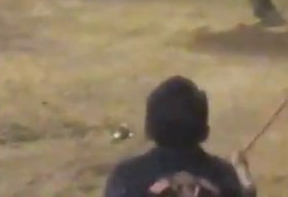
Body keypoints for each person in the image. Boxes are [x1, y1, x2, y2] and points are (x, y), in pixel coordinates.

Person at [103, 76, 255, 197]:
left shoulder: (127, 175)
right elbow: (246, 193)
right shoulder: (223, 175)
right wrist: (241, 172)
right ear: (205, 132)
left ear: (149, 130)